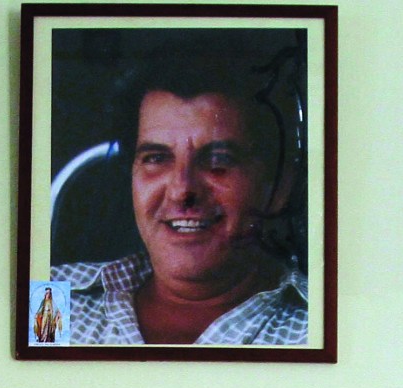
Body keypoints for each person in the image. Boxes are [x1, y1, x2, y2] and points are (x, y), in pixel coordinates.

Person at [51, 38, 308, 346]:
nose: (181, 190)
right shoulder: (54, 298)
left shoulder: (318, 328)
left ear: (278, 186)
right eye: (157, 158)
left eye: (218, 161)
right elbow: (27, 373)